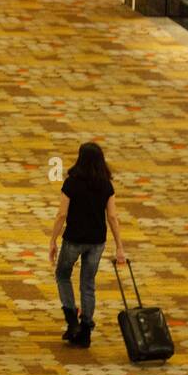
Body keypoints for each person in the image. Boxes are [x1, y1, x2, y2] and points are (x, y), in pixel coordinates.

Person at [49, 142, 126, 348]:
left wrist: (53, 240)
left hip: (74, 239)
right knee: (88, 283)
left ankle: (71, 319)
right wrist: (119, 246)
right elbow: (112, 216)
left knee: (63, 275)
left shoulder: (72, 183)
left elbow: (62, 214)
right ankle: (85, 331)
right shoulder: (106, 185)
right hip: (96, 242)